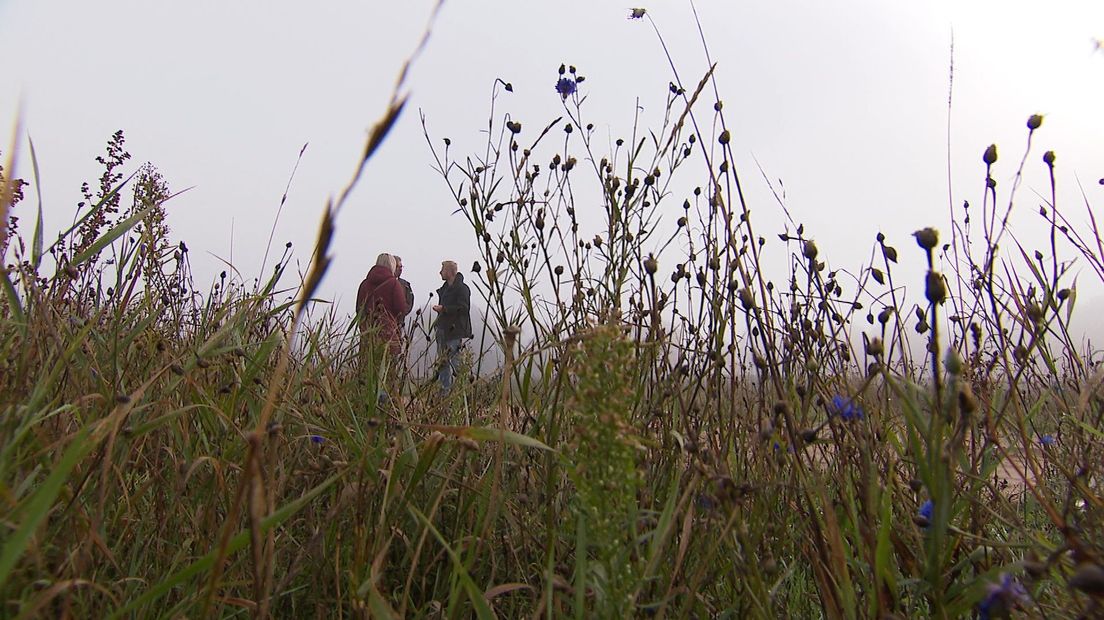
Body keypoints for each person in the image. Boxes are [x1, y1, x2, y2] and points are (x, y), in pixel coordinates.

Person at [356, 253, 410, 357]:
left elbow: (359, 309)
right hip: (387, 333)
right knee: (387, 367)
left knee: (367, 365)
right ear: (392, 265)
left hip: (368, 333)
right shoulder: (394, 284)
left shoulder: (364, 284)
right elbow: (401, 309)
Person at [432, 260, 472, 392]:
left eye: (442, 269)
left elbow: (464, 308)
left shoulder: (462, 289)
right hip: (442, 329)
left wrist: (445, 309)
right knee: (443, 363)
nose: (440, 272)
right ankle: (445, 392)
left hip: (454, 331)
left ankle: (463, 392)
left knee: (456, 363)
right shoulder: (445, 289)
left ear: (449, 272)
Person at [393, 255, 414, 323]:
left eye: (401, 267)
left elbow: (410, 301)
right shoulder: (385, 283)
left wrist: (402, 313)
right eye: (398, 267)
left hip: (400, 322)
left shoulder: (405, 285)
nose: (400, 269)